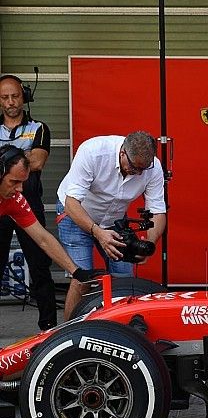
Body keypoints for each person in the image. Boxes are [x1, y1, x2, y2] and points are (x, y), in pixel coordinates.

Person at [56, 131, 166, 320]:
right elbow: (71, 203)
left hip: (113, 218)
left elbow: (158, 212)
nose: (138, 173)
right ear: (123, 152)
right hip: (75, 212)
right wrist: (97, 232)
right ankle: (66, 334)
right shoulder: (92, 152)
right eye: (134, 167)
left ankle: (119, 328)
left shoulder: (153, 168)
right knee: (83, 277)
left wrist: (149, 243)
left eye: (143, 169)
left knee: (124, 279)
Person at [0, 146, 102, 294]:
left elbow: (43, 239)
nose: (20, 189)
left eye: (22, 182)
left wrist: (77, 272)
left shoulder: (15, 199)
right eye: (14, 182)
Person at [0, 74, 57, 330]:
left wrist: (5, 157)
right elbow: (27, 159)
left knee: (40, 267)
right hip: (1, 206)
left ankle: (49, 329)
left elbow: (36, 162)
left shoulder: (39, 128)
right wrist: (20, 154)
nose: (10, 102)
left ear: (24, 96)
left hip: (29, 204)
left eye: (15, 96)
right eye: (5, 97)